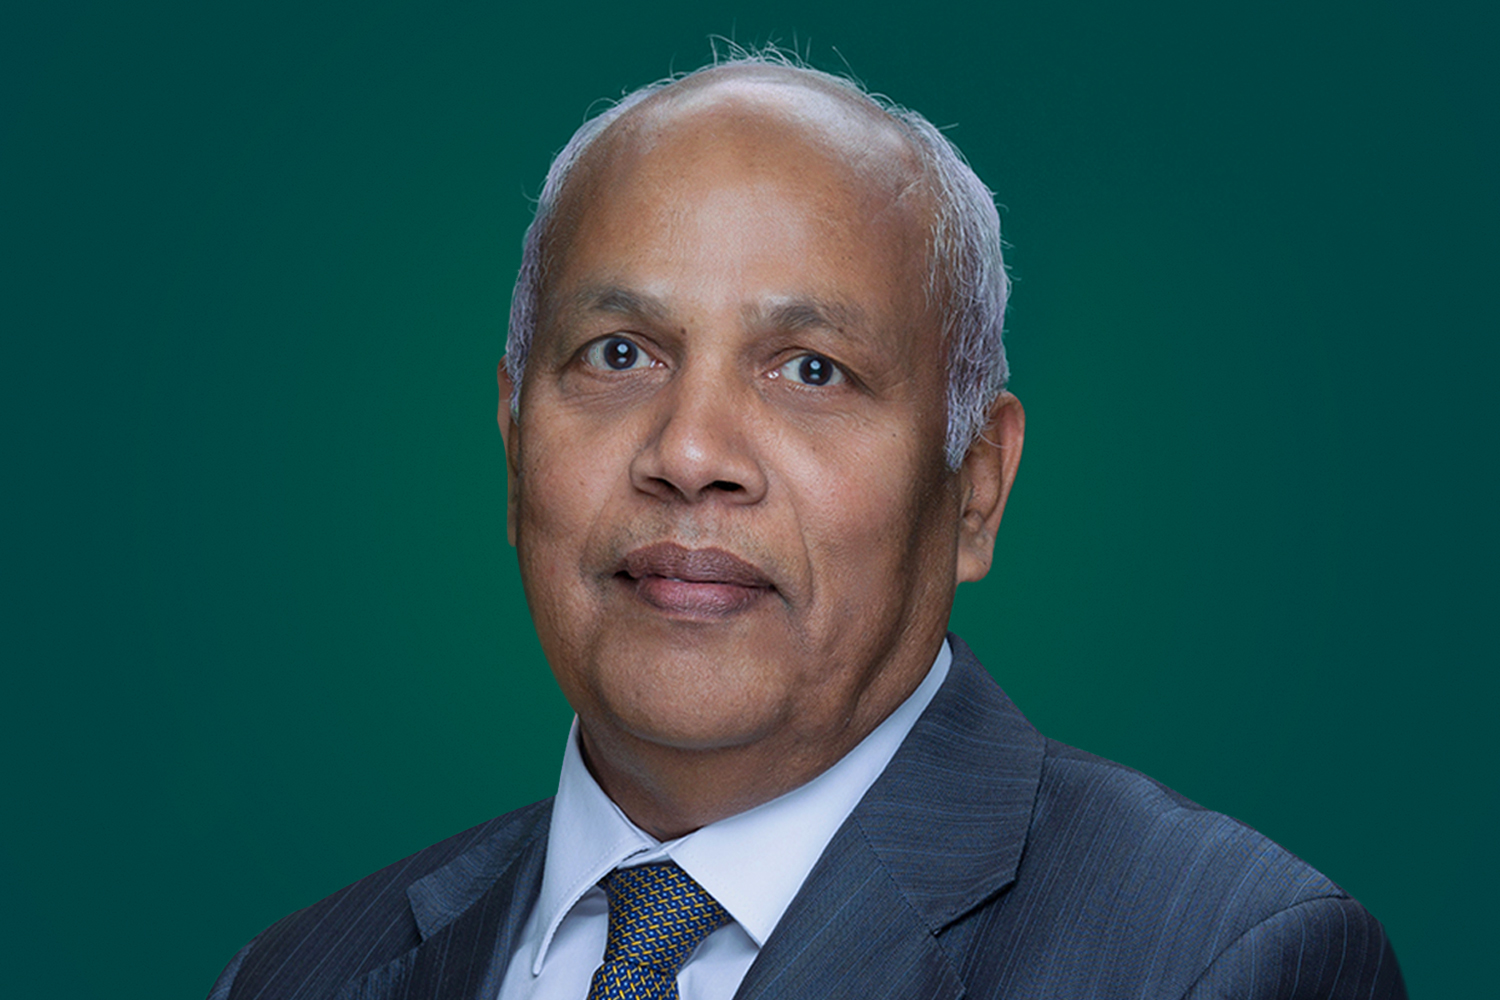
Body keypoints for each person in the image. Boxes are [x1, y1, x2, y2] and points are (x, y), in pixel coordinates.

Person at [209, 54, 1405, 1000]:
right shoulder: (298, 972)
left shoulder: (1225, 958)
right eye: (619, 354)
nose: (690, 453)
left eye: (812, 369)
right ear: (514, 442)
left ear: (976, 487)